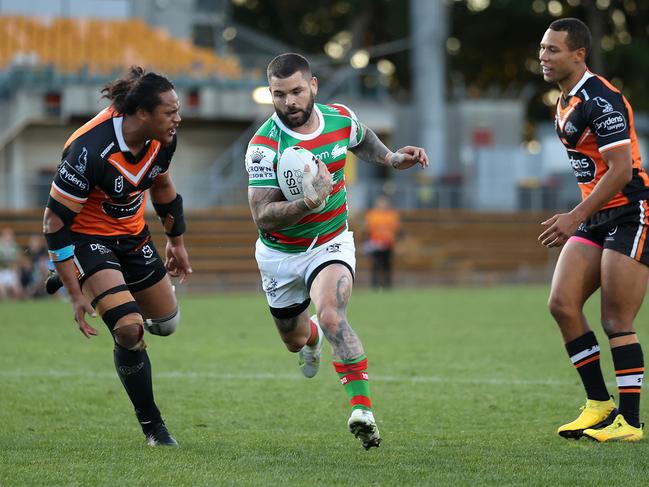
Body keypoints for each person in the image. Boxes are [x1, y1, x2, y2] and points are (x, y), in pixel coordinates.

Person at [245, 53, 429, 449]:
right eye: (279, 94)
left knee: (331, 315)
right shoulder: (264, 145)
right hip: (280, 255)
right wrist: (306, 204)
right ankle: (308, 338)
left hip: (330, 242)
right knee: (293, 338)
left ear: (312, 86)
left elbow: (361, 140)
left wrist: (392, 158)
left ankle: (362, 410)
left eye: (296, 91)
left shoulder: (339, 117)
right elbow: (262, 214)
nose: (289, 102)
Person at [42, 66, 191, 447]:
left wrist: (176, 242)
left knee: (168, 323)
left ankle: (101, 288)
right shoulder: (90, 150)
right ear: (141, 113)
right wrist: (76, 294)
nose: (178, 118)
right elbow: (54, 222)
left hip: (132, 235)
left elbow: (163, 185)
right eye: (170, 111)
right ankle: (154, 427)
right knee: (128, 329)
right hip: (87, 238)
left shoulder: (163, 139)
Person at [539, 18, 646, 442]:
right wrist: (583, 216)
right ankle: (599, 405)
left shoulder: (600, 99)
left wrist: (573, 216)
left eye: (553, 50)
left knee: (616, 318)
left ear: (579, 54)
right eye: (542, 49)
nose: (543, 57)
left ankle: (631, 422)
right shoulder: (565, 100)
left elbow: (620, 171)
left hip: (631, 213)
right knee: (562, 304)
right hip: (597, 217)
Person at [364, 195, 401, 289]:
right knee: (375, 264)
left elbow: (397, 229)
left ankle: (387, 284)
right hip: (376, 243)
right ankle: (375, 284)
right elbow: (368, 230)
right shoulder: (372, 214)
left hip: (388, 243)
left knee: (387, 265)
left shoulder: (392, 215)